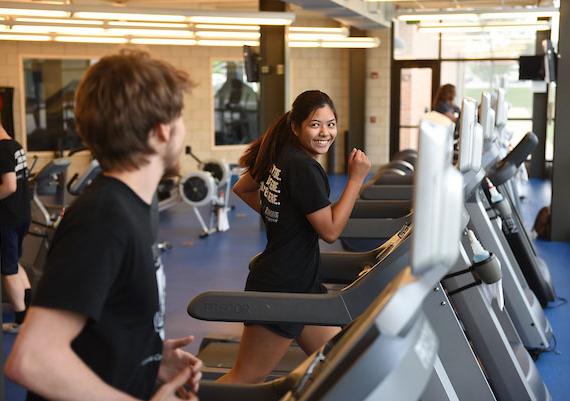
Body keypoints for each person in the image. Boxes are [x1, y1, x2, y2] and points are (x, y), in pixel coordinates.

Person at [5, 50, 202, 401]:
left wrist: (150, 359)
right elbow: (32, 360)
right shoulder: (104, 218)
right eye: (179, 115)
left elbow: (105, 324)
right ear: (161, 131)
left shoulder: (132, 208)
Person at [221, 90, 371, 384]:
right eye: (315, 124)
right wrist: (356, 179)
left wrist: (281, 217)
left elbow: (242, 188)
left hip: (301, 284)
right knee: (245, 378)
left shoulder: (282, 154)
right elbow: (330, 231)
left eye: (330, 124)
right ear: (295, 126)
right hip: (282, 287)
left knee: (341, 366)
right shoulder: (303, 166)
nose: (325, 132)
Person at [0, 122, 32, 334]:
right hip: (21, 215)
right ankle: (29, 316)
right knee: (16, 263)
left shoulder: (1, 149)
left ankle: (20, 323)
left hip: (8, 218)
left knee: (8, 269)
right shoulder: (15, 145)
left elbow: (9, 185)